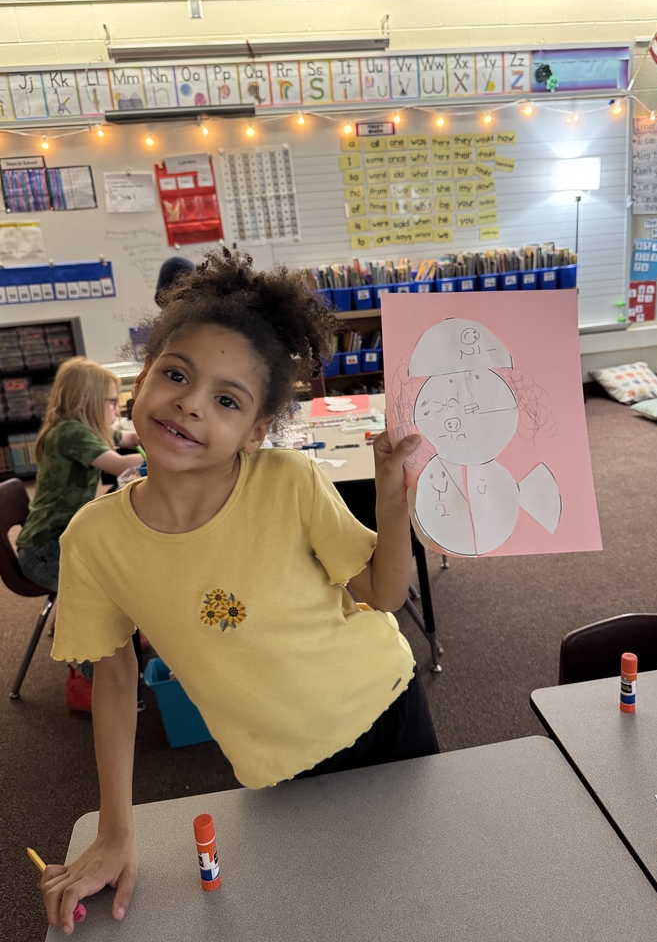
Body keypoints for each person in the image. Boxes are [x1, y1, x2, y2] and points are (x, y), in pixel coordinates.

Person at [41, 250, 437, 934]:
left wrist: (392, 500)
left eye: (226, 400)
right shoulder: (94, 539)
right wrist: (114, 832)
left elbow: (382, 591)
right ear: (142, 377)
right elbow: (114, 677)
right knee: (324, 912)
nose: (191, 403)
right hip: (275, 762)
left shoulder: (288, 481)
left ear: (255, 432)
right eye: (176, 374)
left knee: (423, 893)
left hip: (388, 710)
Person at [16, 358, 145, 705]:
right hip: (45, 550)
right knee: (100, 596)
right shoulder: (71, 432)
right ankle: (88, 676)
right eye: (110, 401)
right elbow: (119, 464)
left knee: (119, 568)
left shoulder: (89, 427)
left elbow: (129, 438)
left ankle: (127, 631)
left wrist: (150, 435)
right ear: (85, 402)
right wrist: (169, 455)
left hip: (60, 540)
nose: (115, 409)